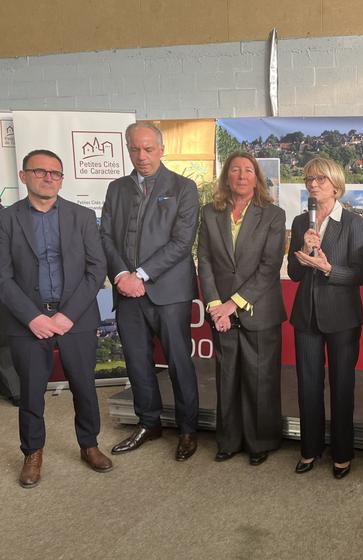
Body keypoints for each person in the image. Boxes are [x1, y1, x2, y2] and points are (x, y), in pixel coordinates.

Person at [0, 149, 111, 488]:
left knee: (84, 386)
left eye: (55, 173)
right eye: (40, 171)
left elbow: (97, 269)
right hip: (26, 320)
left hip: (75, 318)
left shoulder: (81, 216)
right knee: (31, 391)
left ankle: (89, 444)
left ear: (62, 179)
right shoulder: (7, 219)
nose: (48, 178)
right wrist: (32, 317)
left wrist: (68, 315)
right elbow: (2, 276)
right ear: (24, 176)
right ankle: (33, 452)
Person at [101, 122, 200, 461]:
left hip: (168, 292)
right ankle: (149, 422)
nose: (141, 156)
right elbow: (106, 238)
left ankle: (188, 429)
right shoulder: (116, 188)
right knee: (137, 362)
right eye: (134, 149)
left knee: (178, 362)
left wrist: (140, 275)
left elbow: (181, 242)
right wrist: (121, 275)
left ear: (161, 149)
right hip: (126, 292)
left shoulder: (184, 188)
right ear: (128, 150)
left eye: (148, 149)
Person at [197, 151, 286, 466]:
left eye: (249, 170)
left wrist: (233, 305)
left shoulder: (273, 215)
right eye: (235, 169)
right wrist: (214, 305)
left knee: (259, 379)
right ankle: (229, 440)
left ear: (257, 178)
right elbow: (204, 260)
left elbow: (269, 265)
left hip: (257, 309)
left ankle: (260, 441)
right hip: (219, 309)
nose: (242, 175)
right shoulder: (209, 212)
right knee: (227, 377)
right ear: (226, 176)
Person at [288, 157, 363, 479]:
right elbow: (293, 273)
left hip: (342, 317)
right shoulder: (299, 222)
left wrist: (328, 269)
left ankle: (342, 453)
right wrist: (305, 253)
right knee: (307, 385)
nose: (313, 184)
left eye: (320, 179)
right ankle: (309, 449)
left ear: (335, 184)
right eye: (309, 179)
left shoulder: (352, 223)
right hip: (306, 316)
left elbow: (360, 275)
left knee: (342, 385)